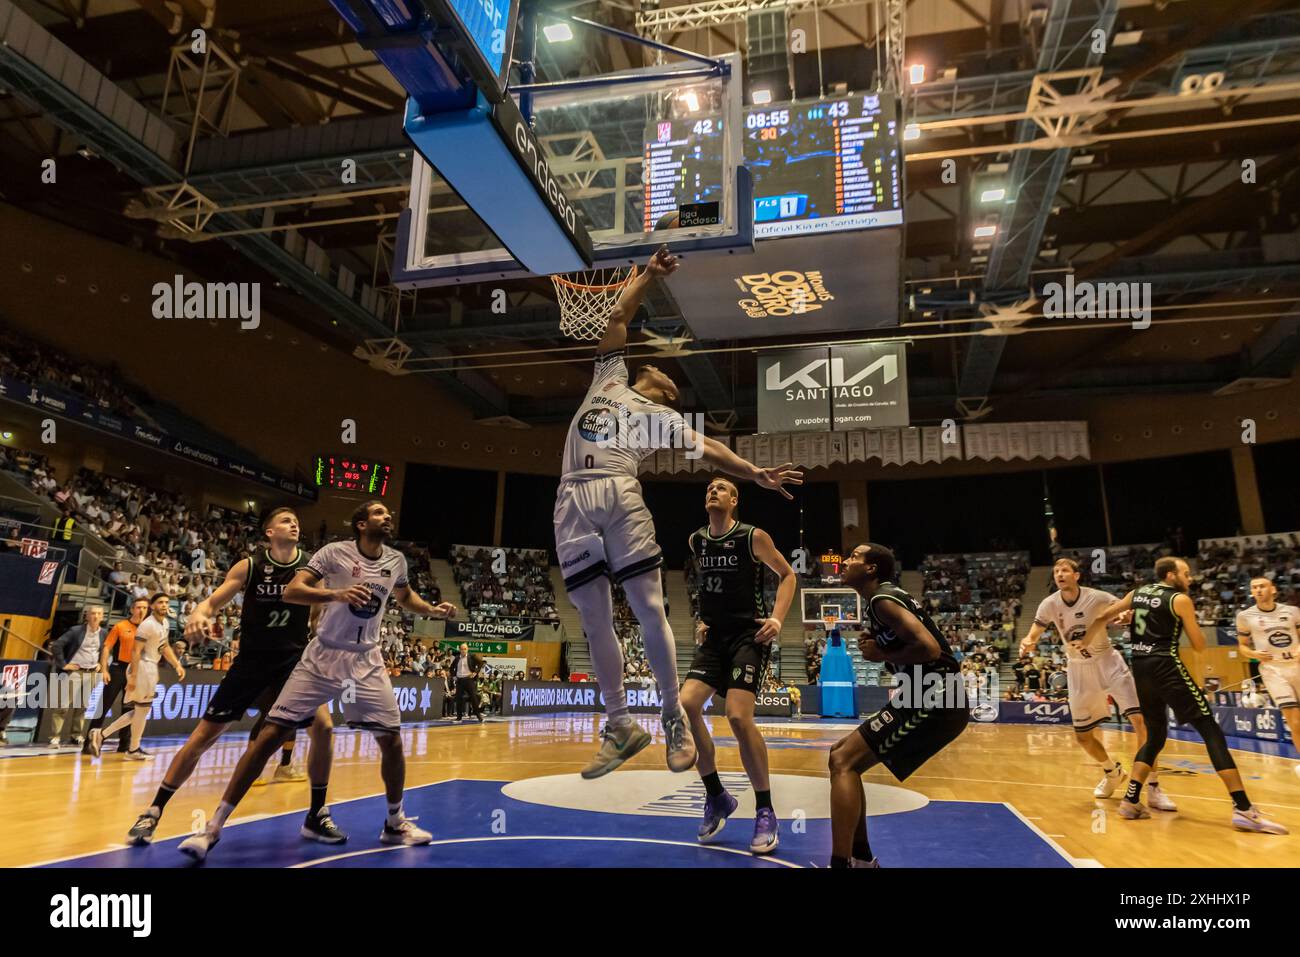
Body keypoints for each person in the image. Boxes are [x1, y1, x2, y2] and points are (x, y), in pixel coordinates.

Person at [552, 246, 803, 779]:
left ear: (669, 392)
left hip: (619, 490)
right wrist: (647, 275)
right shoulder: (607, 379)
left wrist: (754, 474)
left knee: (647, 607)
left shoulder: (660, 417)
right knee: (593, 617)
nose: (660, 370)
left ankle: (673, 716)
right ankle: (619, 723)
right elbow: (619, 315)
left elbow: (711, 449)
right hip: (571, 496)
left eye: (668, 376)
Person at [177, 502, 457, 862]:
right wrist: (336, 594)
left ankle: (394, 823)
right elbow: (292, 591)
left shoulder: (396, 561)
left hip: (366, 660)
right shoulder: (332, 554)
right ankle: (212, 828)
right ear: (360, 523)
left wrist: (432, 610)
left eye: (388, 514)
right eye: (378, 514)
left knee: (391, 739)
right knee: (270, 735)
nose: (387, 518)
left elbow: (404, 597)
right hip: (323, 655)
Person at [121, 508, 339, 847]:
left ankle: (317, 813)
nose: (294, 523)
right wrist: (197, 614)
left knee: (324, 727)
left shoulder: (311, 569)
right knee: (202, 738)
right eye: (285, 520)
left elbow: (316, 617)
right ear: (269, 532)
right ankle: (153, 811)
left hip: (293, 663)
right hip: (251, 662)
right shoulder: (249, 565)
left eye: (297, 519)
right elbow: (210, 603)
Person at [1085, 558, 1286, 833]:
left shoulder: (1138, 592)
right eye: (1186, 573)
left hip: (1141, 669)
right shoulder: (1179, 599)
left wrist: (1082, 643)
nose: (1190, 579)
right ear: (1171, 575)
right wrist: (1190, 620)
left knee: (1155, 736)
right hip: (1166, 667)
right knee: (1210, 730)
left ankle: (1131, 801)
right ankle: (1243, 809)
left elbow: (1101, 617)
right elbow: (1200, 646)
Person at [826, 544, 969, 868]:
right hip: (927, 692)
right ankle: (860, 859)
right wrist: (879, 645)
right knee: (840, 755)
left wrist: (882, 653)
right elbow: (912, 647)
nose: (845, 562)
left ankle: (843, 863)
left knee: (844, 762)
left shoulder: (882, 600)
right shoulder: (883, 600)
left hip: (935, 694)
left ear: (872, 569)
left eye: (853, 558)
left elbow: (930, 649)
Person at [680, 477, 796, 855]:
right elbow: (708, 586)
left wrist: (777, 619)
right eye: (709, 488)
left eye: (722, 488)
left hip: (749, 635)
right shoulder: (696, 541)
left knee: (737, 716)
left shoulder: (752, 537)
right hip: (714, 637)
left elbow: (788, 575)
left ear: (734, 499)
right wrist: (701, 617)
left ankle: (765, 810)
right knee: (687, 705)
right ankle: (716, 796)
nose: (713, 491)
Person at [1018, 558, 1172, 808]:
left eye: (1065, 570)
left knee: (1141, 722)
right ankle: (1113, 773)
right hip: (1078, 669)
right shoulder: (1049, 604)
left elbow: (1122, 609)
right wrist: (1028, 640)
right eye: (1056, 571)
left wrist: (1124, 615)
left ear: (1076, 575)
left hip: (1108, 661)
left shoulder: (1097, 597)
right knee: (1083, 737)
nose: (1059, 574)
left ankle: (1153, 786)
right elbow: (1035, 630)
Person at [89, 593, 185, 760]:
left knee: (140, 711)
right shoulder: (147, 625)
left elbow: (164, 646)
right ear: (153, 606)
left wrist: (176, 664)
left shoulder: (165, 623)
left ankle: (106, 737)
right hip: (142, 667)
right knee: (141, 710)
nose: (164, 605)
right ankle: (129, 748)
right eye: (160, 602)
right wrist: (133, 676)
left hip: (151, 667)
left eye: (166, 602)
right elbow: (136, 651)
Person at [1235, 577, 1300, 745]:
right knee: (1295, 723)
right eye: (1254, 587)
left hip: (1297, 665)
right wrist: (1254, 653)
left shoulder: (1292, 611)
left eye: (1262, 586)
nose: (1258, 590)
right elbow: (1242, 647)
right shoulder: (1245, 616)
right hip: (1273, 670)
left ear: (1273, 590)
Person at [84, 597, 147, 754]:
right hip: (118, 669)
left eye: (145, 608)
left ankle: (124, 745)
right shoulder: (120, 626)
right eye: (139, 607)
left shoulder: (148, 629)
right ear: (132, 609)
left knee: (129, 710)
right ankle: (89, 743)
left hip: (136, 672)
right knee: (103, 706)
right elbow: (106, 648)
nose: (142, 611)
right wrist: (104, 669)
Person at [47, 606, 105, 749]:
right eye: (92, 613)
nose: (95, 616)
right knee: (63, 705)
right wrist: (64, 664)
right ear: (87, 616)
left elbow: (105, 650)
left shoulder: (104, 633)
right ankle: (54, 737)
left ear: (102, 617)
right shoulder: (76, 631)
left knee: (83, 706)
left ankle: (76, 735)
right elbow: (57, 645)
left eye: (99, 614)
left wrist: (101, 664)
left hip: (91, 672)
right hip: (75, 672)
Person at [450, 642, 483, 722]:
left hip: (469, 679)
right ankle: (459, 717)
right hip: (459, 680)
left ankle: (478, 715)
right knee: (459, 699)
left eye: (465, 649)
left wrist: (475, 672)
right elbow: (451, 668)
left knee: (473, 697)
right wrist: (454, 676)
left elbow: (480, 663)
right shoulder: (457, 658)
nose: (463, 650)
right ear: (459, 650)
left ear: (467, 649)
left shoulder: (472, 656)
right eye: (462, 649)